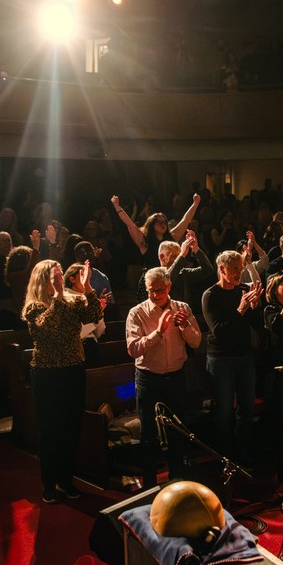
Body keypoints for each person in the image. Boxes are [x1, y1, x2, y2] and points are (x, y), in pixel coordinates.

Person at [22, 259, 102, 503]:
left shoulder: (71, 299)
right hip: (47, 373)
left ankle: (66, 480)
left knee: (71, 427)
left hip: (73, 369)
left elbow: (94, 315)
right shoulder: (34, 307)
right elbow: (48, 329)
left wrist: (87, 288)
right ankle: (49, 483)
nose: (60, 280)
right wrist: (58, 296)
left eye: (60, 275)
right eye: (55, 277)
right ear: (43, 280)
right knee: (50, 430)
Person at [125, 267, 203, 487]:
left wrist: (184, 326)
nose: (155, 295)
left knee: (177, 430)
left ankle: (176, 480)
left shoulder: (182, 308)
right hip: (148, 378)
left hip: (175, 376)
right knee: (148, 433)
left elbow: (196, 341)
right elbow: (133, 349)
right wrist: (158, 332)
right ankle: (149, 485)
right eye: (151, 290)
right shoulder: (137, 313)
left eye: (160, 290)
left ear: (169, 287)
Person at [201, 251, 265, 466]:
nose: (239, 272)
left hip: (244, 355)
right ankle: (225, 458)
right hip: (221, 359)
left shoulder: (244, 290)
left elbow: (256, 325)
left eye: (241, 268)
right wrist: (240, 310)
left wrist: (255, 306)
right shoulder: (210, 295)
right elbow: (220, 331)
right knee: (225, 411)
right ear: (222, 269)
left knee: (246, 408)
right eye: (235, 268)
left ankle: (243, 454)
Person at [111, 193, 201, 268]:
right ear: (151, 225)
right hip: (152, 279)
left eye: (164, 222)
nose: (163, 224)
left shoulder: (172, 236)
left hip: (170, 277)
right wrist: (117, 206)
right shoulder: (144, 241)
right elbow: (129, 223)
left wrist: (195, 203)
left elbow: (185, 220)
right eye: (159, 222)